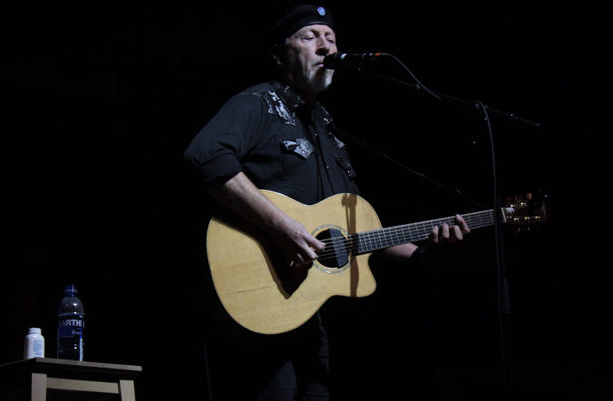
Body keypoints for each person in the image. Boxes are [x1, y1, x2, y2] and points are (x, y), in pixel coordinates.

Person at [183, 4, 471, 400]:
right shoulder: (259, 102)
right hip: (255, 298)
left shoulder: (328, 130)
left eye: (331, 38)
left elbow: (359, 232)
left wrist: (426, 254)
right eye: (310, 36)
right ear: (279, 55)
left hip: (308, 311)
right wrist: (281, 227)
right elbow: (205, 155)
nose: (325, 46)